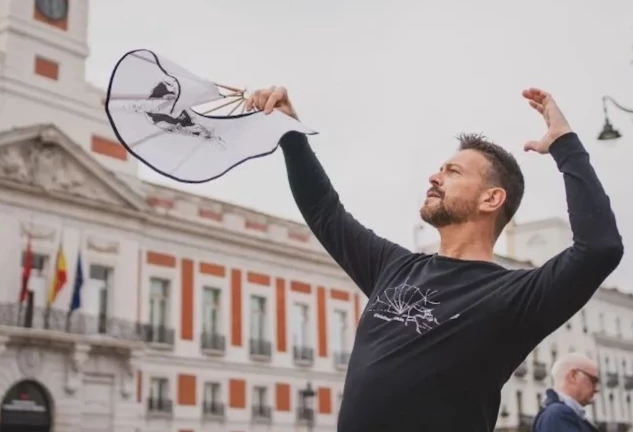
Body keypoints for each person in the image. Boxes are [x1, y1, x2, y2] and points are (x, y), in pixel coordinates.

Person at [244, 87, 623, 431]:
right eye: (440, 168)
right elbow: (325, 211)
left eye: (452, 171)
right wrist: (290, 134)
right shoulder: (393, 267)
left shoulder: (514, 296)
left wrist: (565, 145)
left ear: (491, 199)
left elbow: (599, 248)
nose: (435, 176)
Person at [532, 353, 600, 432]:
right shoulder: (557, 415)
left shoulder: (558, 414)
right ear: (573, 376)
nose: (597, 389)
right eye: (593, 381)